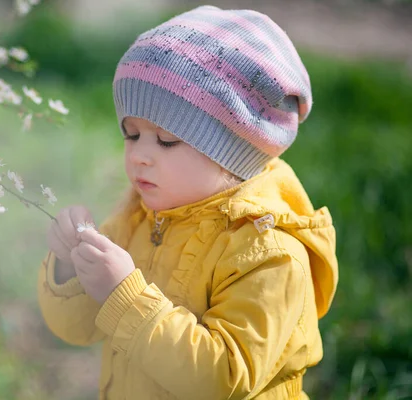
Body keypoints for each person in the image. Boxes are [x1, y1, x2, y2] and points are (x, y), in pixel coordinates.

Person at [37, 5, 338, 399]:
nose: (140, 155)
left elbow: (223, 379)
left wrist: (125, 298)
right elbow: (75, 328)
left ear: (233, 151)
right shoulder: (140, 215)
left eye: (165, 140)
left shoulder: (269, 252)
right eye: (131, 134)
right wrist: (69, 266)